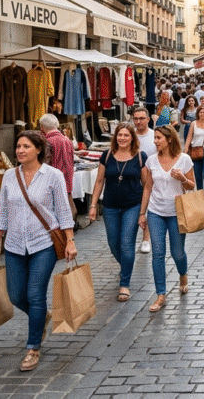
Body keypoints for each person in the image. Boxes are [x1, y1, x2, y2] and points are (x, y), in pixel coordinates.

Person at [0, 130, 76, 372]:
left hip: (43, 243)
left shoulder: (53, 176)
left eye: (26, 146)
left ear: (38, 149)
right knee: (16, 296)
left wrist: (70, 240)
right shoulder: (8, 176)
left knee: (35, 294)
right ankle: (41, 316)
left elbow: (64, 211)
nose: (20, 150)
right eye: (18, 146)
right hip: (14, 244)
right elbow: (1, 212)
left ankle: (33, 347)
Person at [88, 123, 149, 303]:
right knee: (113, 243)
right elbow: (99, 182)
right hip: (110, 206)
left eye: (126, 135)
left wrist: (143, 211)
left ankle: (125, 284)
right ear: (115, 137)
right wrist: (93, 205)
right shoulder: (106, 156)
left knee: (126, 243)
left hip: (132, 205)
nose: (122, 138)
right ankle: (126, 266)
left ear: (132, 138)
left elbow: (146, 186)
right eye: (119, 135)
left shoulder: (140, 157)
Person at [140, 125, 194, 313]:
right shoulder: (151, 161)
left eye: (158, 138)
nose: (155, 141)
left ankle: (183, 274)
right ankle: (161, 293)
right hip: (156, 213)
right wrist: (142, 213)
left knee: (178, 252)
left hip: (177, 212)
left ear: (169, 139)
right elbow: (147, 187)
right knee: (158, 253)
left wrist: (182, 178)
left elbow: (191, 186)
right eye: (154, 138)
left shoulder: (184, 159)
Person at [39, 114, 77, 221]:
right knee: (68, 201)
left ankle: (64, 231)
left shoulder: (47, 142)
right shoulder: (67, 140)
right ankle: (71, 227)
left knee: (58, 207)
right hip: (67, 176)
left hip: (53, 180)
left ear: (42, 127)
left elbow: (45, 163)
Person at [132, 107, 157, 255]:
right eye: (136, 119)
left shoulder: (154, 136)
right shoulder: (129, 136)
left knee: (146, 208)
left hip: (151, 177)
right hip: (132, 177)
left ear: (148, 119)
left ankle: (146, 239)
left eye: (142, 118)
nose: (139, 121)